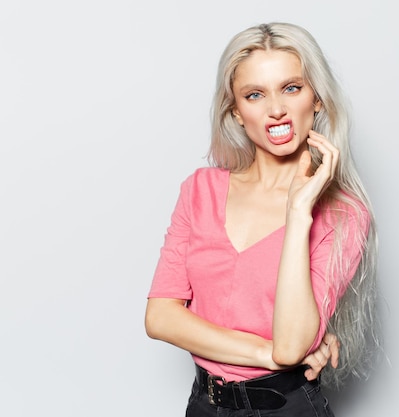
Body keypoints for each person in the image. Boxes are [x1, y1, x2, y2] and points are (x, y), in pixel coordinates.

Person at [145, 22, 380, 416]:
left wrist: (299, 211)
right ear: (236, 111)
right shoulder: (200, 190)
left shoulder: (344, 214)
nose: (275, 109)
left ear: (317, 99)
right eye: (255, 94)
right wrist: (265, 352)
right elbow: (161, 316)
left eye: (292, 88)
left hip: (286, 407)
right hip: (205, 405)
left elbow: (291, 347)